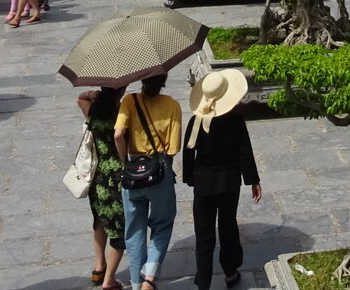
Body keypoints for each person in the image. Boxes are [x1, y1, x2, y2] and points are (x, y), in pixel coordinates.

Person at [183, 69, 263, 290]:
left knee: (204, 234)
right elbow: (244, 151)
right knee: (228, 225)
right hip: (229, 183)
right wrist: (253, 180)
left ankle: (204, 280)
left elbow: (188, 152)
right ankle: (230, 271)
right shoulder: (235, 120)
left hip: (204, 183)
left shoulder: (196, 120)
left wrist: (190, 177)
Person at [115, 72, 183, 290]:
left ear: (142, 80)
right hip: (159, 168)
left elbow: (118, 134)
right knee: (162, 224)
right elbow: (173, 148)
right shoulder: (172, 105)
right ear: (163, 83)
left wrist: (125, 161)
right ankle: (150, 278)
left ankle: (136, 283)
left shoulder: (129, 101)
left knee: (134, 229)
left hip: (133, 168)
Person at [77, 85, 128, 290]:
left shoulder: (93, 111)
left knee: (99, 221)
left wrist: (91, 94)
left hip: (97, 176)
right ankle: (109, 280)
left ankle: (99, 267)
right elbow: (121, 137)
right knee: (119, 230)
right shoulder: (122, 113)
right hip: (116, 178)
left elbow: (79, 99)